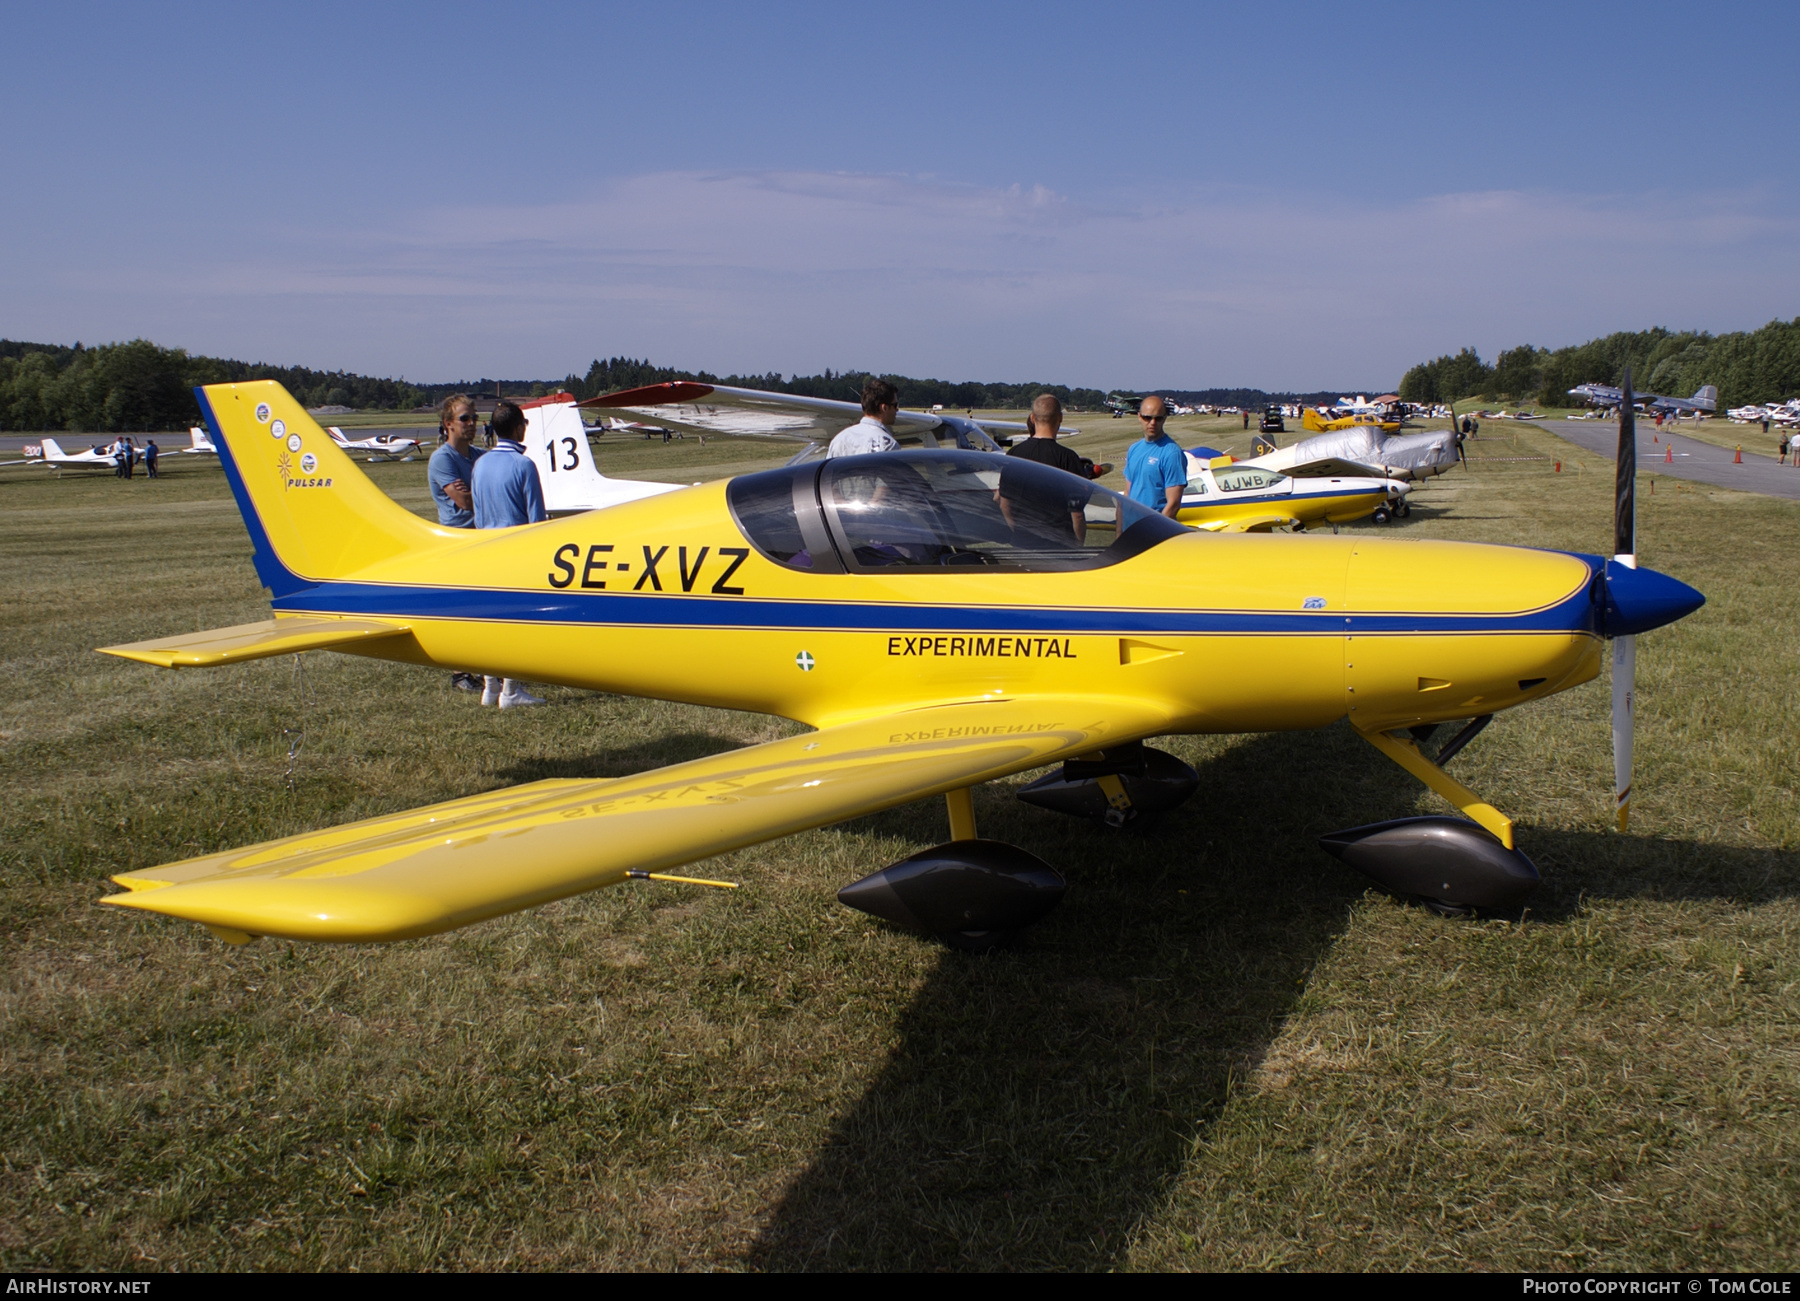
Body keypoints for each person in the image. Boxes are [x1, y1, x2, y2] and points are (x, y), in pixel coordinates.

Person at [471, 400, 546, 708]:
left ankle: (490, 687)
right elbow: (536, 519)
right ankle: (511, 690)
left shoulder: (480, 464)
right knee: (517, 624)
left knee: (489, 624)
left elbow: (476, 511)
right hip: (516, 553)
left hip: (485, 548)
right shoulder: (523, 465)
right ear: (519, 428)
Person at [428, 395, 486, 693]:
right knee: (461, 609)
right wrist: (488, 497)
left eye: (474, 418)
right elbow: (463, 501)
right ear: (448, 424)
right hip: (458, 540)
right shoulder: (443, 459)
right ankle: (460, 672)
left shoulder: (478, 455)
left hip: (483, 537)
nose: (472, 424)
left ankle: (490, 666)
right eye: (465, 419)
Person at [1000, 393, 1092, 542]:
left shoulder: (1014, 454)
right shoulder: (1068, 458)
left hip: (1022, 543)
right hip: (1059, 545)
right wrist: (1077, 546)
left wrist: (1017, 532)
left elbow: (1004, 504)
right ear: (1060, 418)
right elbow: (1077, 513)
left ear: (1032, 418)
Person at [1123, 395, 1186, 520]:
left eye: (1158, 419)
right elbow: (1127, 494)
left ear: (1164, 419)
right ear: (1139, 416)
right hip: (1132, 527)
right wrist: (1121, 530)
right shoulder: (1134, 449)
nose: (1152, 423)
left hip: (1156, 529)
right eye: (1147, 418)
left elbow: (1173, 504)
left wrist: (1155, 531)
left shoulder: (1172, 453)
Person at [827, 379, 901, 457]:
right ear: (884, 408)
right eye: (895, 405)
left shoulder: (839, 439)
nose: (897, 409)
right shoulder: (888, 445)